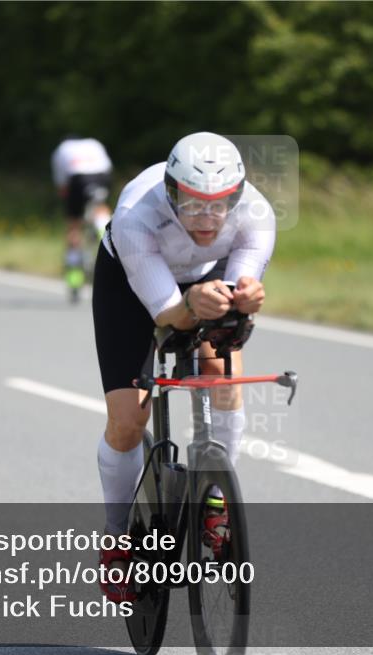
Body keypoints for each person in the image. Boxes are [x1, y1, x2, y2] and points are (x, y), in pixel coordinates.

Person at [91, 132, 275, 601]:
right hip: (133, 285)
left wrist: (245, 298)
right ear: (171, 191)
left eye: (219, 204)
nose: (207, 217)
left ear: (237, 196)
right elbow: (168, 316)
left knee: (223, 378)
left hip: (204, 276)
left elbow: (236, 297)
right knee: (129, 419)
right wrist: (191, 302)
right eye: (191, 203)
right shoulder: (137, 215)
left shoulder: (256, 215)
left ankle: (216, 496)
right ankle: (115, 539)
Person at [51, 136, 113, 299]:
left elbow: (62, 185)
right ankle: (107, 236)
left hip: (78, 178)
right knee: (100, 207)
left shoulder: (62, 149)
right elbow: (108, 168)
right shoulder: (94, 143)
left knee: (74, 227)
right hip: (101, 176)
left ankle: (74, 278)